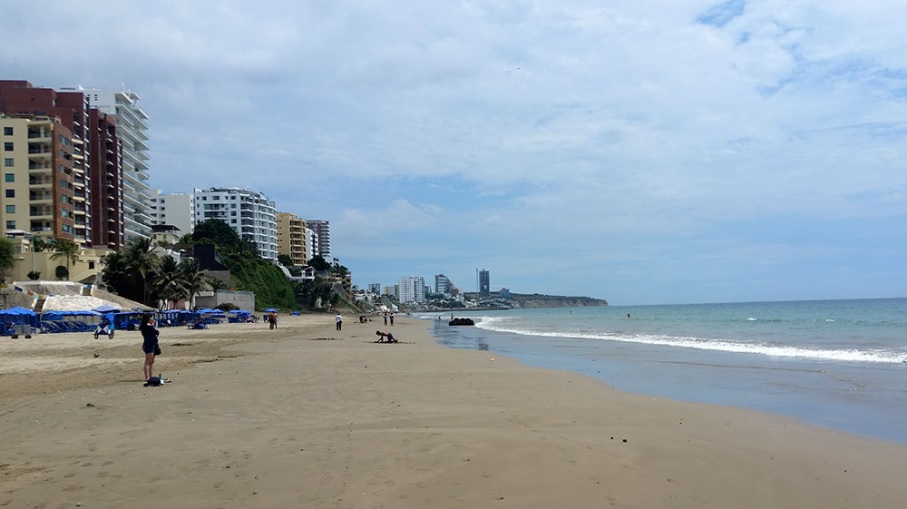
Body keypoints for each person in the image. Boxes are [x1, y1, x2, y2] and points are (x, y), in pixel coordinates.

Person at [139, 313, 160, 385]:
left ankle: (150, 376)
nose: (153, 319)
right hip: (149, 344)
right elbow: (156, 332)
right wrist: (153, 326)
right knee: (148, 361)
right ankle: (147, 377)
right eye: (152, 317)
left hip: (153, 344)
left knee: (151, 361)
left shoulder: (148, 326)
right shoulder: (147, 326)